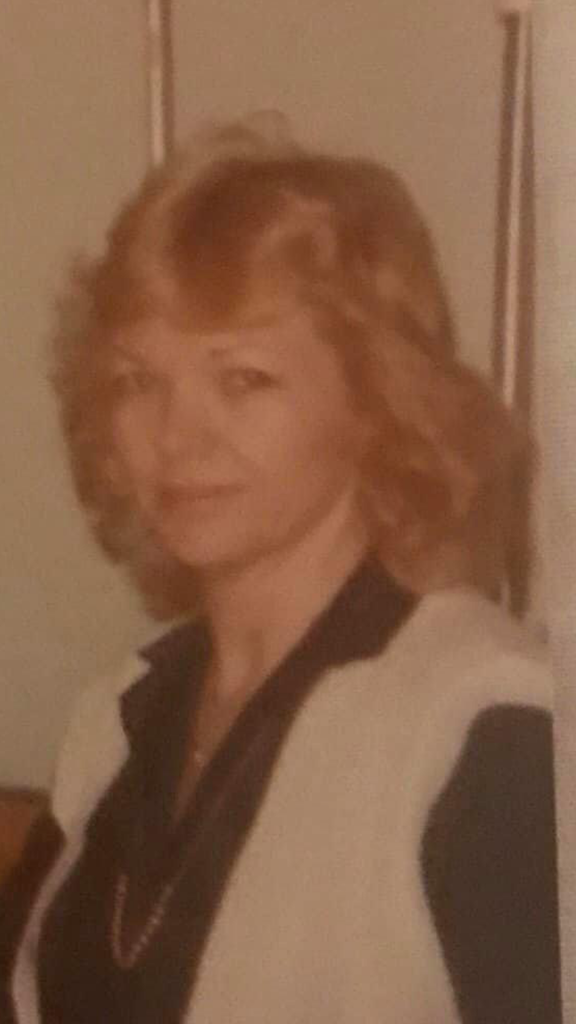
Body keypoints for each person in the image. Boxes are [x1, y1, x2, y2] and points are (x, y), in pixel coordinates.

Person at [1, 114, 559, 1023]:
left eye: (242, 380)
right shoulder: (117, 720)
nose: (177, 437)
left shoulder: (483, 725)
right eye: (139, 382)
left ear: (376, 400)